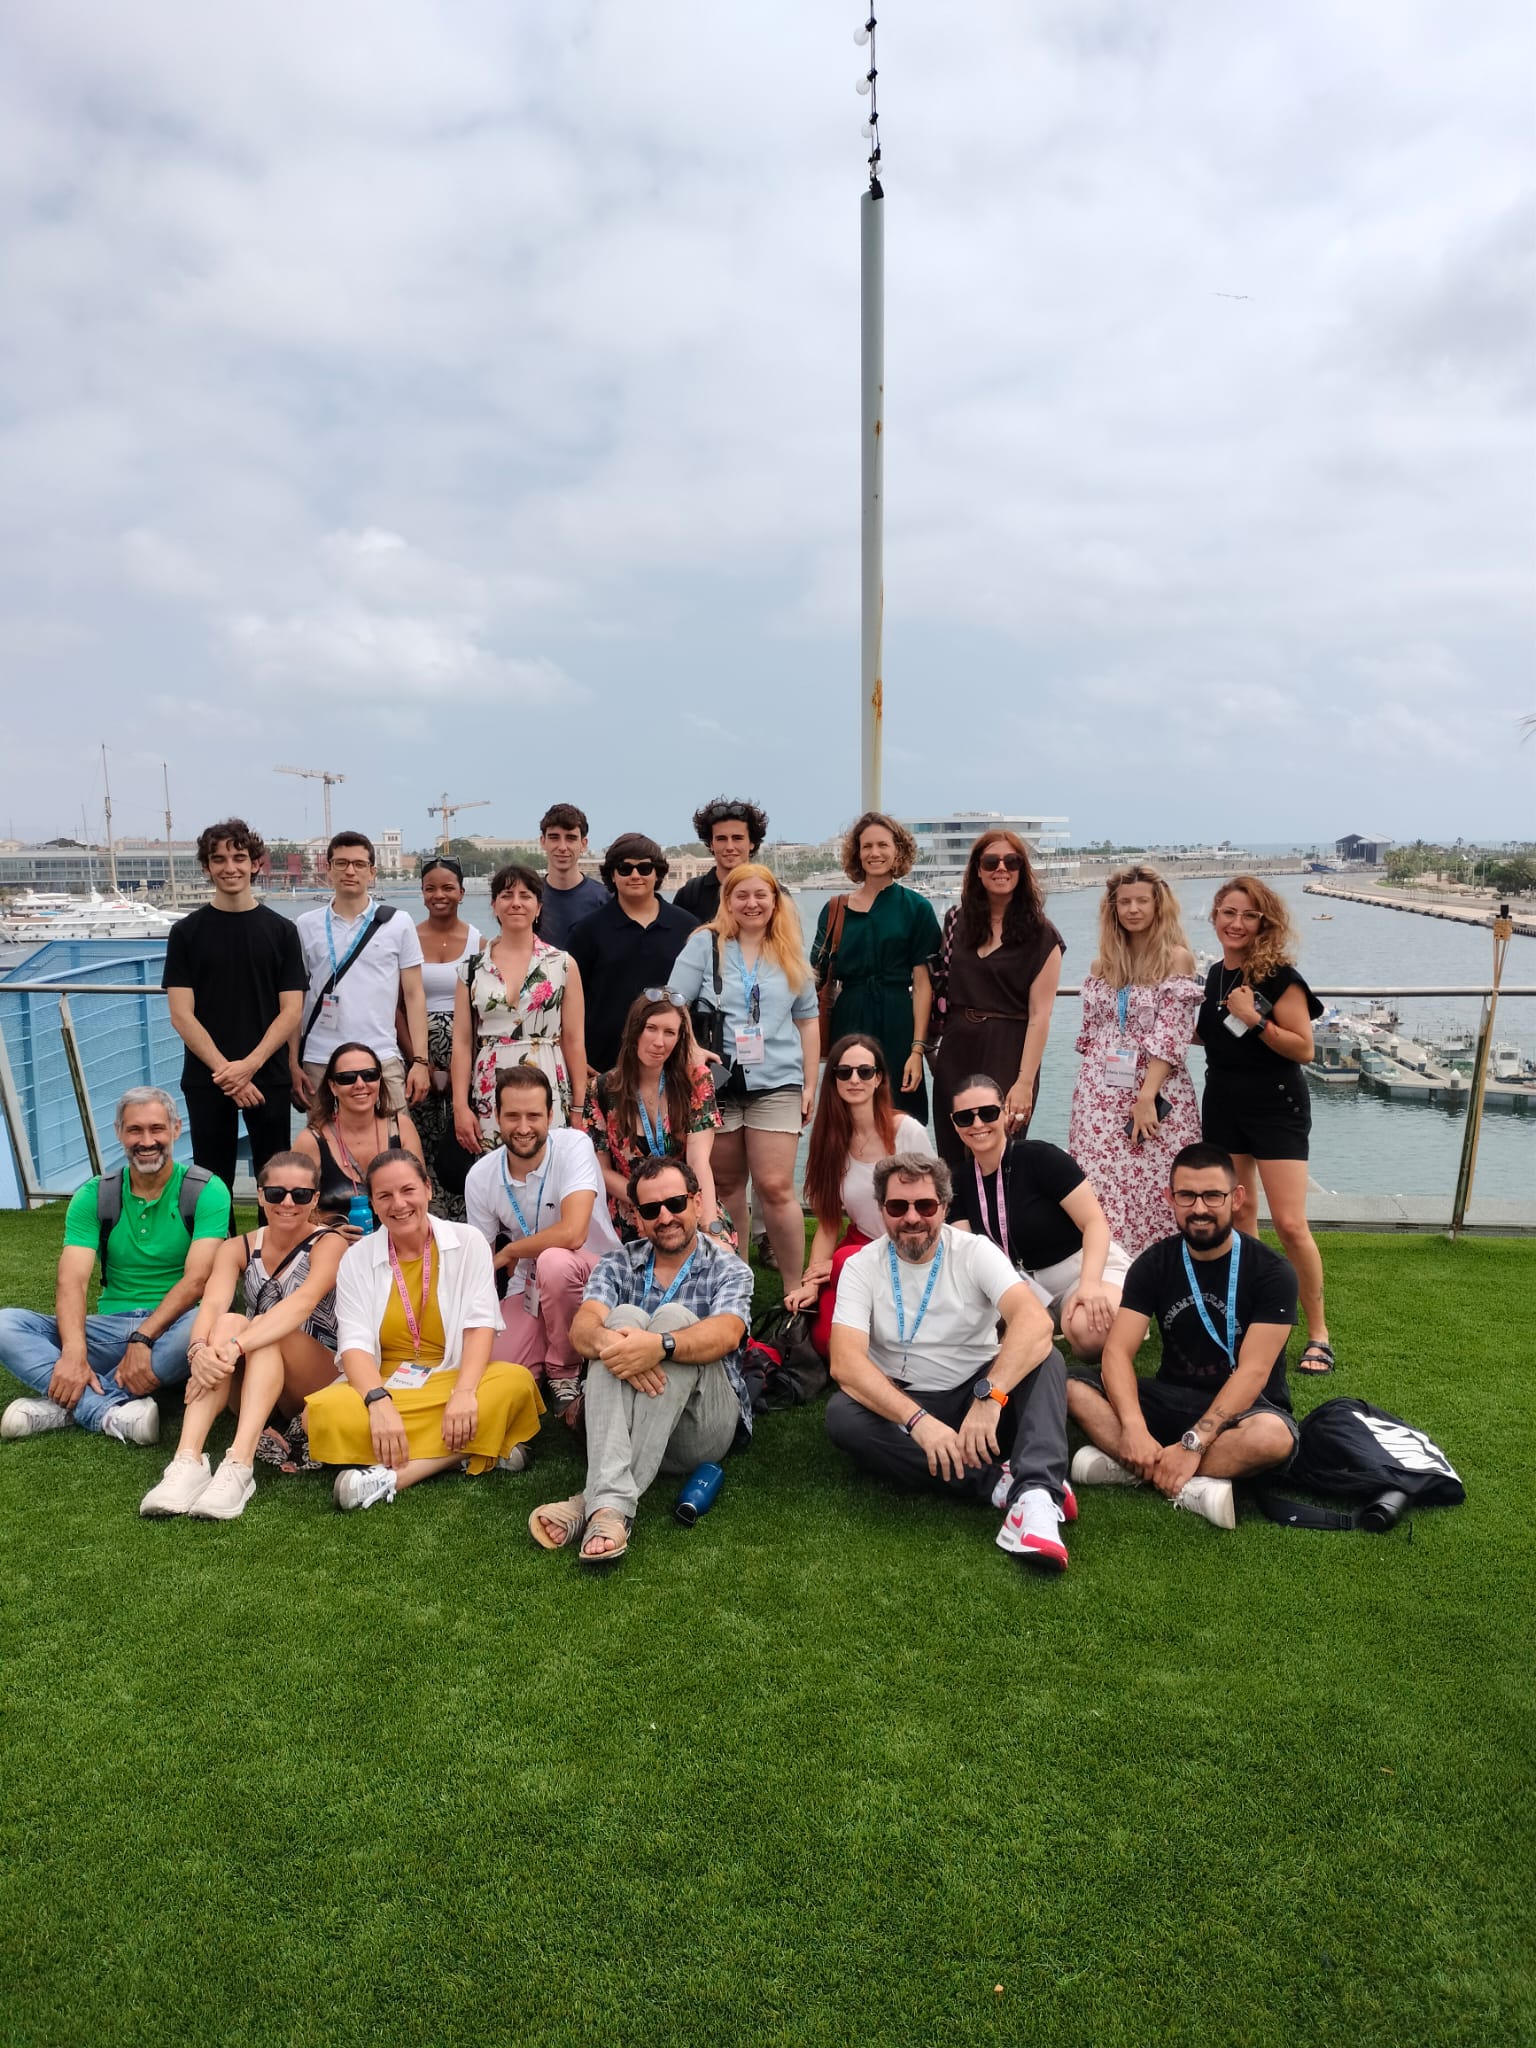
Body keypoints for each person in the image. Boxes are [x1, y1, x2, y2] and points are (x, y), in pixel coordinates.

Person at [826, 1152, 1074, 1570]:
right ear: (882, 1209)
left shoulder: (974, 1251)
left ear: (943, 1206)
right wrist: (918, 1422)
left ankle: (1035, 1496)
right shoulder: (860, 1265)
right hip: (905, 1401)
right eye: (897, 1207)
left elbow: (1034, 1321)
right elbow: (845, 1362)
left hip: (979, 1391)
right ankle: (998, 1485)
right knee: (842, 1417)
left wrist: (990, 1397)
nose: (912, 1218)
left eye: (925, 1206)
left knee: (1046, 1358)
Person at [528, 1158, 753, 1566]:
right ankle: (610, 1510)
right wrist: (621, 1343)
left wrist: (660, 1346)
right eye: (651, 1210)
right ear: (637, 1218)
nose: (665, 1217)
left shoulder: (728, 1267)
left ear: (697, 1202)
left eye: (675, 1203)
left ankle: (588, 1500)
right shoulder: (617, 1263)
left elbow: (727, 1334)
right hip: (629, 1424)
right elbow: (583, 1330)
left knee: (675, 1319)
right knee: (620, 1320)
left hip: (700, 1429)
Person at [1066, 1143, 1302, 1529]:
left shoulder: (1273, 1272)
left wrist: (1195, 1442)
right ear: (1170, 1198)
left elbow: (1253, 1372)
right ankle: (1186, 1478)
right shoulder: (1154, 1263)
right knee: (1069, 1386)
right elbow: (1117, 1352)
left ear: (1236, 1198)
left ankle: (1134, 1467)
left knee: (1273, 1438)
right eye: (1187, 1195)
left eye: (1213, 1196)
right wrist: (1133, 1427)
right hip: (1171, 1397)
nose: (1199, 1208)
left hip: (1246, 1408)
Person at [304, 1149, 544, 1511]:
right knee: (318, 1413)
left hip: (454, 1378)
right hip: (386, 1383)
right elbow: (354, 1345)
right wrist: (378, 1402)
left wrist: (464, 1393)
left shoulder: (468, 1242)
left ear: (428, 1189)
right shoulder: (356, 1258)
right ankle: (477, 1447)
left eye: (408, 1190)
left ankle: (391, 1477)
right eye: (385, 1196)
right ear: (373, 1204)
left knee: (516, 1382)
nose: (399, 1204)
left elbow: (480, 1325)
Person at [0, 1089, 228, 1446]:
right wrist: (74, 1352)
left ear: (176, 1129)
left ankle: (69, 1405)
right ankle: (107, 1410)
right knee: (6, 1324)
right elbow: (72, 1281)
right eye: (135, 1130)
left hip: (174, 1330)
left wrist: (144, 1337)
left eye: (157, 1128)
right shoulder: (95, 1194)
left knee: (209, 1324)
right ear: (120, 1133)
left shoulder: (206, 1190)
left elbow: (197, 1280)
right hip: (109, 1328)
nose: (147, 1141)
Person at [137, 1152, 347, 1520]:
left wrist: (235, 1346)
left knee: (263, 1330)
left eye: (300, 1195)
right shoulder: (236, 1248)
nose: (287, 1203)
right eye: (277, 1193)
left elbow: (303, 1303)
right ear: (261, 1195)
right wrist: (199, 1352)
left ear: (315, 1199)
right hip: (256, 1376)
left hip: (315, 1378)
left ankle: (239, 1464)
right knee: (229, 1322)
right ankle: (187, 1460)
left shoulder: (330, 1243)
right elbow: (212, 1304)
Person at [1197, 876, 1332, 1373]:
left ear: (1263, 923)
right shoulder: (1215, 975)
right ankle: (1256, 1316)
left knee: (1291, 1224)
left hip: (1275, 1105)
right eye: (1228, 913)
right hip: (1223, 1102)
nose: (1236, 923)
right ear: (1214, 916)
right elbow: (1211, 1035)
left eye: (1248, 915)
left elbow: (1304, 1048)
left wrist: (1255, 1019)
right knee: (1240, 1212)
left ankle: (1318, 1333)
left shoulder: (1279, 978)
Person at [668, 863, 818, 1292]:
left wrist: (810, 1084)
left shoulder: (788, 948)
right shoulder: (705, 944)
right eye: (742, 896)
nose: (752, 904)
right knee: (728, 1185)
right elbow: (673, 1000)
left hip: (777, 1079)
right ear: (728, 901)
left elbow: (808, 1019)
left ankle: (794, 1290)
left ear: (774, 901)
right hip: (718, 1081)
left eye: (761, 895)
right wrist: (692, 1049)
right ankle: (736, 1287)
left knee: (775, 1186)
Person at [162, 816, 308, 1192]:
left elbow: (291, 1011)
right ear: (206, 867)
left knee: (275, 1181)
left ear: (255, 863)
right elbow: (181, 1014)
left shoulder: (282, 931)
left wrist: (249, 1066)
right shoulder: (185, 933)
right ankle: (215, 1238)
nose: (230, 868)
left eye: (239, 858)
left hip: (268, 1074)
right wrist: (227, 1072)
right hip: (208, 1077)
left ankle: (273, 1237)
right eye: (219, 859)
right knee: (210, 1183)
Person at [464, 1066, 619, 1416]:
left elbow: (573, 1233)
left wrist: (513, 1249)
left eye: (533, 1116)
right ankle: (558, 1344)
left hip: (595, 1274)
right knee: (496, 1365)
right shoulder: (480, 1176)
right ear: (497, 1117)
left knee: (554, 1261)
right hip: (530, 1284)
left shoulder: (574, 1144)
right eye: (512, 1116)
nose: (523, 1128)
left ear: (551, 1115)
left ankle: (564, 1371)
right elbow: (481, 1267)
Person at [1067, 864, 1204, 1256]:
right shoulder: (1103, 965)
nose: (1133, 909)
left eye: (1142, 901)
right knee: (1102, 1183)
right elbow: (1093, 1035)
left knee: (1159, 1180)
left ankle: (1164, 1269)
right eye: (1124, 902)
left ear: (1158, 905)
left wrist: (1146, 1097)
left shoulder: (1176, 959)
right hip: (1100, 1096)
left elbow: (1172, 1034)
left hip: (1156, 1090)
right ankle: (1109, 1270)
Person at [946, 1074, 1130, 1362]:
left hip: (1080, 1271)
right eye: (965, 1117)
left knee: (1089, 1332)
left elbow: (1094, 1223)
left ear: (1004, 1112)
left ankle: (1111, 1317)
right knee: (982, 1338)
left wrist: (1090, 1284)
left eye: (988, 1113)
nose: (978, 1124)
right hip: (1019, 1286)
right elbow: (967, 1250)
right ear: (954, 1123)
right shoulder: (957, 1182)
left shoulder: (1042, 1158)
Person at [783, 1035, 928, 1357]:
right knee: (827, 1337)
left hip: (908, 1249)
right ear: (833, 1080)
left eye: (865, 1071)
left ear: (879, 1079)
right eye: (844, 1072)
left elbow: (932, 1212)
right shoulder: (830, 1142)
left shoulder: (908, 1132)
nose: (854, 1079)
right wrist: (811, 1282)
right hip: (859, 1248)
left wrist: (840, 1265)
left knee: (877, 1325)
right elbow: (828, 1224)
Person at [930, 829, 1065, 1170]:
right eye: (991, 861)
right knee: (953, 1152)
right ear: (977, 869)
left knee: (1000, 1152)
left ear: (1022, 870)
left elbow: (1040, 1015)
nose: (1001, 868)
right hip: (957, 1048)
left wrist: (1024, 1082)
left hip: (1008, 1049)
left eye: (1011, 861)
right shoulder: (956, 921)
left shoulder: (1042, 934)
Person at [812, 812, 941, 1121]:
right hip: (849, 1017)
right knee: (847, 1112)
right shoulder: (835, 909)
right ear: (857, 853)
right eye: (867, 846)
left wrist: (917, 1049)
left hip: (898, 1019)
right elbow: (813, 976)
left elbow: (923, 984)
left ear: (898, 850)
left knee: (899, 1114)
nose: (875, 853)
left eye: (883, 845)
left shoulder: (916, 908)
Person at [290, 831, 428, 1117]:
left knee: (393, 1140)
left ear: (372, 872)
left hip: (381, 1056)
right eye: (340, 863)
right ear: (328, 870)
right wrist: (293, 1062)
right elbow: (295, 999)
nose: (350, 871)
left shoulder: (398, 923)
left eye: (359, 864)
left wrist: (420, 1061)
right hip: (319, 1059)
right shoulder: (305, 925)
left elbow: (414, 995)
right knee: (323, 1141)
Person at [451, 862, 586, 1151]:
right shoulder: (472, 969)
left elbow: (574, 1039)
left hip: (547, 1077)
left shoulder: (562, 964)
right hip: (490, 1083)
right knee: (495, 1162)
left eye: (525, 896)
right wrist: (460, 1106)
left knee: (550, 1160)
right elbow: (461, 1043)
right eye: (506, 895)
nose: (516, 903)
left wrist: (578, 1105)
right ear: (494, 905)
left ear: (538, 907)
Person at [584, 992, 725, 1242]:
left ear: (679, 1039)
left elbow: (699, 1161)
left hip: (686, 1205)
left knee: (721, 1252)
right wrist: (651, 1201)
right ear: (635, 1030)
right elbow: (601, 1169)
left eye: (669, 1032)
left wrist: (709, 1225)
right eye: (651, 1029)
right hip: (634, 1209)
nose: (659, 1042)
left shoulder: (697, 1080)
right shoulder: (602, 1089)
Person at [565, 834, 699, 1076]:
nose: (635, 875)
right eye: (625, 869)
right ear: (612, 875)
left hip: (671, 1065)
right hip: (602, 1066)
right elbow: (568, 1000)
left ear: (657, 873)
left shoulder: (688, 927)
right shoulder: (586, 931)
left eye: (644, 868)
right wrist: (577, 1058)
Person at [404, 854, 481, 1218]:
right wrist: (417, 1059)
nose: (439, 895)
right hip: (417, 1052)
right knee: (421, 1139)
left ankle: (467, 1220)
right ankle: (426, 1218)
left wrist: (462, 1066)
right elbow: (399, 1004)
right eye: (430, 888)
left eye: (448, 887)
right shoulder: (408, 938)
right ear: (421, 893)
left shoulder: (479, 942)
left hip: (465, 1052)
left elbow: (481, 1009)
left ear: (462, 892)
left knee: (464, 1136)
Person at [293, 1041, 424, 1230]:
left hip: (397, 1237)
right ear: (332, 1086)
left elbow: (420, 1192)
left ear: (380, 1080)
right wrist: (327, 1231)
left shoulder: (401, 1127)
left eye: (370, 1075)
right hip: (333, 1242)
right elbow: (294, 1208)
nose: (360, 1084)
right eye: (347, 1078)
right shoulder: (311, 1140)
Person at [672, 796, 769, 924]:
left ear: (752, 843)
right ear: (711, 844)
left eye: (737, 838)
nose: (729, 847)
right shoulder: (690, 894)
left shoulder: (773, 891)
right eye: (721, 839)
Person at [536, 802, 609, 948]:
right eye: (554, 837)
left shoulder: (605, 900)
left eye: (570, 838)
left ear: (583, 844)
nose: (562, 847)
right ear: (543, 842)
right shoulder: (529, 898)